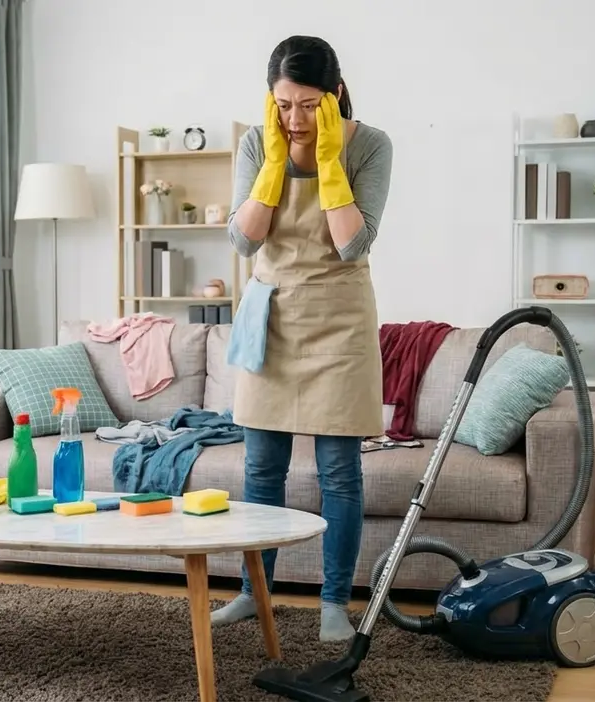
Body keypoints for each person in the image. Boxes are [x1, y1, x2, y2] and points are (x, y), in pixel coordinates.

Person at [216, 35, 393, 643]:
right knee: (261, 470)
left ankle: (334, 604)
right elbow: (243, 242)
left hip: (339, 322)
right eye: (284, 105)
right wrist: (272, 163)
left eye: (309, 105)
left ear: (335, 95)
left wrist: (326, 160)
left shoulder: (370, 144)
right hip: (273, 317)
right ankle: (252, 592)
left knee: (338, 474)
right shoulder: (254, 142)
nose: (294, 119)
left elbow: (350, 243)